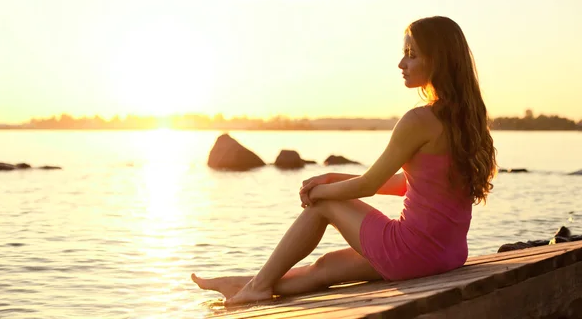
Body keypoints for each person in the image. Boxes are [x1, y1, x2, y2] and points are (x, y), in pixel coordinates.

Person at [191, 16, 497, 306]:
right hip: (447, 254)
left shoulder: (419, 120)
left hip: (410, 251)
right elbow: (410, 184)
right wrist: (333, 177)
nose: (401, 63)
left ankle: (257, 288)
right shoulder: (467, 120)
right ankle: (245, 285)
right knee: (324, 268)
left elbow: (369, 184)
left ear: (437, 60)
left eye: (411, 54)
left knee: (322, 207)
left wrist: (319, 194)